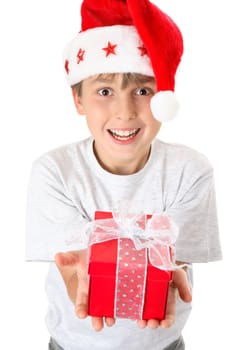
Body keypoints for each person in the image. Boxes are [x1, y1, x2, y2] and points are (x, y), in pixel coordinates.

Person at [26, 1, 222, 349]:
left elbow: (174, 257)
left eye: (143, 91)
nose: (125, 112)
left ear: (162, 97)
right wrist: (79, 279)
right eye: (104, 92)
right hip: (72, 343)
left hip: (163, 344)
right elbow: (74, 268)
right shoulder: (55, 171)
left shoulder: (190, 171)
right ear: (78, 100)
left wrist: (166, 266)